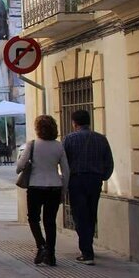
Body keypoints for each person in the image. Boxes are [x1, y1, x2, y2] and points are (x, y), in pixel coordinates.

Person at [16, 115, 70, 266]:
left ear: (37, 129)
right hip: (54, 187)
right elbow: (66, 171)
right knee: (50, 221)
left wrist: (25, 163)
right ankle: (51, 255)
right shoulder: (59, 146)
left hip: (35, 186)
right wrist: (63, 190)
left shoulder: (32, 145)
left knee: (33, 218)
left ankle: (41, 245)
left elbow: (19, 167)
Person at [63, 109, 114, 265]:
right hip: (95, 180)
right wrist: (102, 176)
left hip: (77, 180)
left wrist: (65, 180)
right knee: (91, 213)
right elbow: (109, 162)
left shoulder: (69, 139)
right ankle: (88, 246)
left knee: (79, 215)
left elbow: (64, 162)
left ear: (74, 123)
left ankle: (87, 252)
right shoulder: (101, 139)